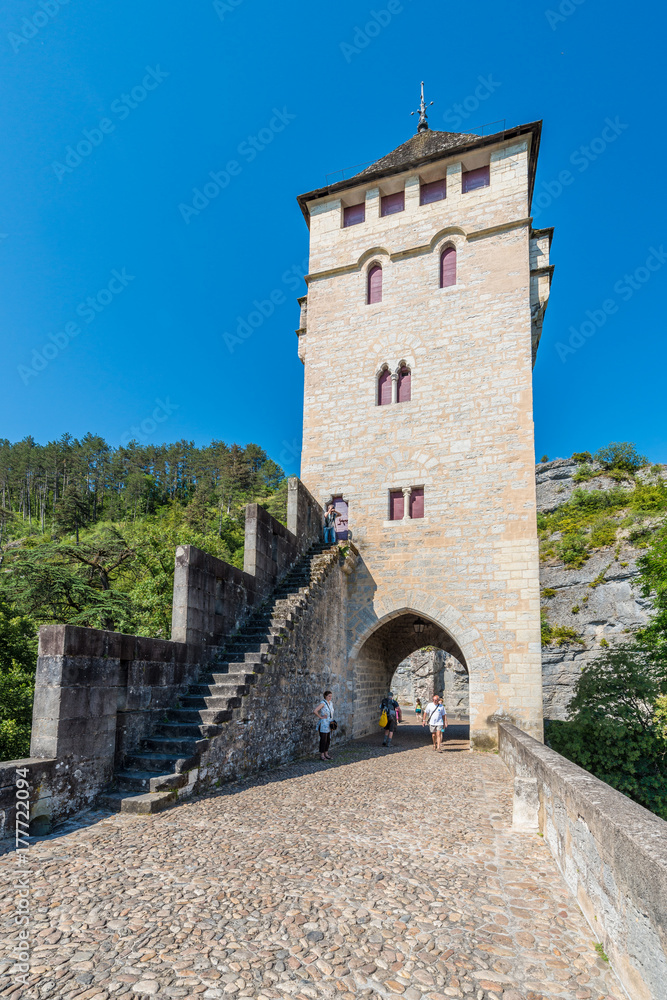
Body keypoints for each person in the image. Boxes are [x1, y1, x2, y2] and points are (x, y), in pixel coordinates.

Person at [314, 690, 335, 760]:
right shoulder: (323, 703)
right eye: (329, 696)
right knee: (323, 739)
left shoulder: (331, 703)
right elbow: (315, 711)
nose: (330, 697)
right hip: (323, 724)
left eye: (331, 696)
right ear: (325, 696)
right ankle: (322, 755)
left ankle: (326, 753)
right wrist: (320, 717)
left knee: (328, 739)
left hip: (329, 723)